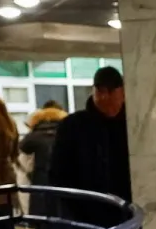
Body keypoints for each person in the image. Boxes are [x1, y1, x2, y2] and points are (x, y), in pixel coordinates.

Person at [48, 66, 130, 214]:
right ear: (93, 92)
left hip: (125, 211)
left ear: (123, 93)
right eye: (101, 92)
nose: (105, 98)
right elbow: (58, 173)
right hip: (85, 214)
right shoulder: (73, 126)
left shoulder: (131, 127)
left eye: (111, 92)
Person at [19, 100, 66, 217]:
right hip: (63, 180)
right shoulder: (67, 131)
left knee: (40, 221)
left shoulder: (35, 135)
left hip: (40, 181)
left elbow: (22, 148)